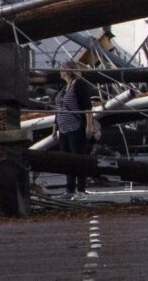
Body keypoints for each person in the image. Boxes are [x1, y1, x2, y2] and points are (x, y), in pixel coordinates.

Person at [52, 61, 95, 200]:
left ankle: (81, 190)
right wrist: (54, 129)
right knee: (67, 160)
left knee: (78, 158)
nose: (60, 71)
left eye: (62, 69)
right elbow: (58, 110)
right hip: (63, 129)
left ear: (68, 71)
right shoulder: (63, 88)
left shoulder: (79, 85)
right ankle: (69, 189)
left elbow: (87, 107)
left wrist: (89, 125)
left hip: (76, 127)